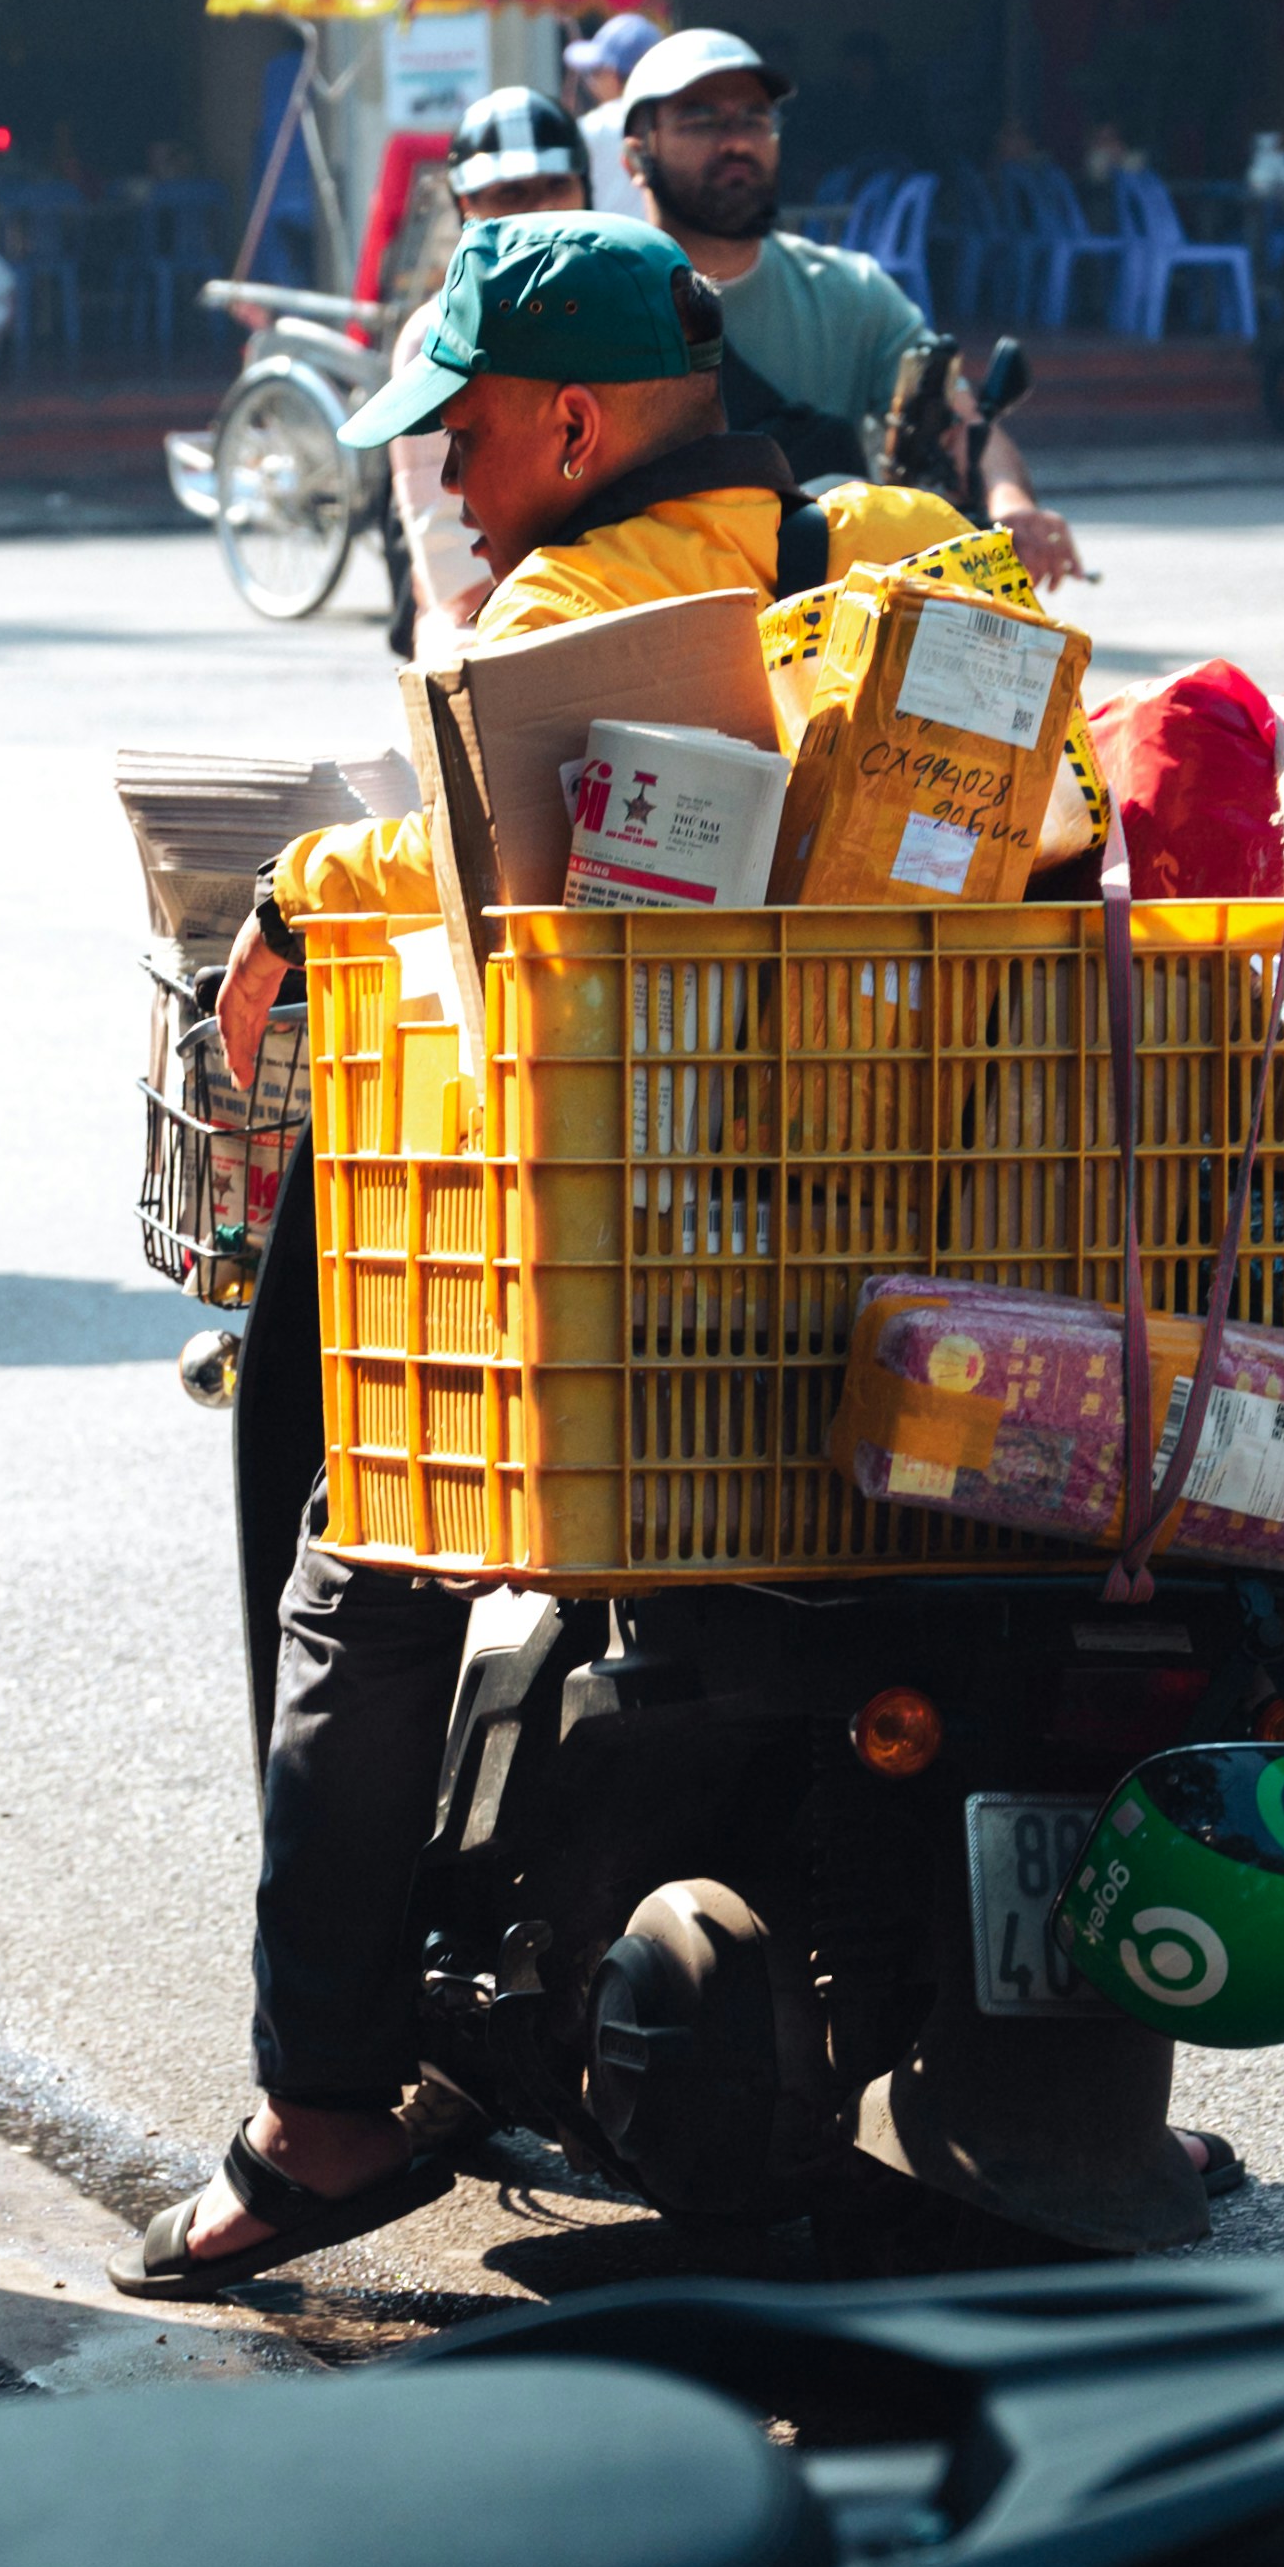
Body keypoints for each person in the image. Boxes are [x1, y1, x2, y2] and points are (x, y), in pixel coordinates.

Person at [126, 218, 1190, 2299]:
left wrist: (279, 905)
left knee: (371, 1568)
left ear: (576, 422)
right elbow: (1075, 804)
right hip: (981, 1252)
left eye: (464, 431)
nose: (440, 474)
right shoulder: (902, 532)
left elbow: (454, 836)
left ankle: (321, 2106)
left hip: (674, 1260)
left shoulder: (573, 602)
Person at [616, 26, 1083, 584]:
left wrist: (1012, 509)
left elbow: (961, 422)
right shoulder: (607, 303)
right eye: (700, 120)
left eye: (753, 118)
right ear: (636, 154)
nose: (734, 141)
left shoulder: (850, 292)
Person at [385, 87, 592, 640]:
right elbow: (455, 580)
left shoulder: (634, 312)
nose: (542, 211)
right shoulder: (434, 341)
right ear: (465, 207)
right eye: (511, 193)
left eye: (556, 187)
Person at [562, 9, 660, 224]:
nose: (590, 83)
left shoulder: (592, 128)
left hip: (604, 249)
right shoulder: (677, 124)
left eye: (594, 72)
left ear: (614, 73)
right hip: (669, 251)